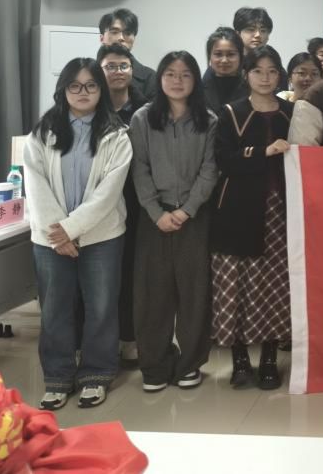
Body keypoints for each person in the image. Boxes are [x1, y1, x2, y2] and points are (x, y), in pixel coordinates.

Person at [23, 58, 132, 410]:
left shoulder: (116, 134)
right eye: (75, 85)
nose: (83, 92)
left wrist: (70, 229)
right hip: (50, 239)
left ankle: (96, 375)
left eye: (91, 85)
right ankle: (57, 378)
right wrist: (59, 233)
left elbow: (108, 193)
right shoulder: (42, 133)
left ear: (101, 89)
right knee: (55, 309)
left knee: (101, 307)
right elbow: (35, 186)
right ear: (64, 90)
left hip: (102, 236)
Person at [128, 51, 218, 392]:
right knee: (153, 294)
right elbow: (139, 169)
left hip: (195, 217)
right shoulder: (142, 119)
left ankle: (190, 364)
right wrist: (156, 212)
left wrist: (187, 210)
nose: (177, 81)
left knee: (194, 293)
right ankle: (154, 365)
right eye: (170, 74)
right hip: (153, 218)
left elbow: (210, 170)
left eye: (185, 74)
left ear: (195, 79)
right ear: (160, 78)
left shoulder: (209, 120)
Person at [211, 46, 293, 390]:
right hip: (238, 211)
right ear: (246, 74)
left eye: (272, 71)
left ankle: (270, 358)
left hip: (282, 212)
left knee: (277, 285)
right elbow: (224, 160)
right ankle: (240, 360)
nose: (265, 77)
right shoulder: (231, 112)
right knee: (238, 285)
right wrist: (263, 152)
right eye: (258, 70)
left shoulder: (292, 112)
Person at [96, 43, 146, 368]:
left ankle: (129, 338)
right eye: (110, 66)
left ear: (132, 70)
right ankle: (100, 344)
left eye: (123, 66)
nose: (117, 72)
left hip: (137, 202)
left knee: (131, 273)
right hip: (98, 205)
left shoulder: (146, 109)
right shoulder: (90, 108)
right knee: (101, 278)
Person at [99, 8, 156, 98]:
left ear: (134, 39)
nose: (121, 38)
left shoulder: (150, 77)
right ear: (102, 38)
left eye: (128, 33)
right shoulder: (88, 74)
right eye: (114, 32)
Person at [202, 27, 246, 114]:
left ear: (240, 56)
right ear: (210, 56)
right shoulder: (198, 89)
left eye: (231, 54)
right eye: (218, 54)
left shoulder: (252, 88)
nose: (224, 60)